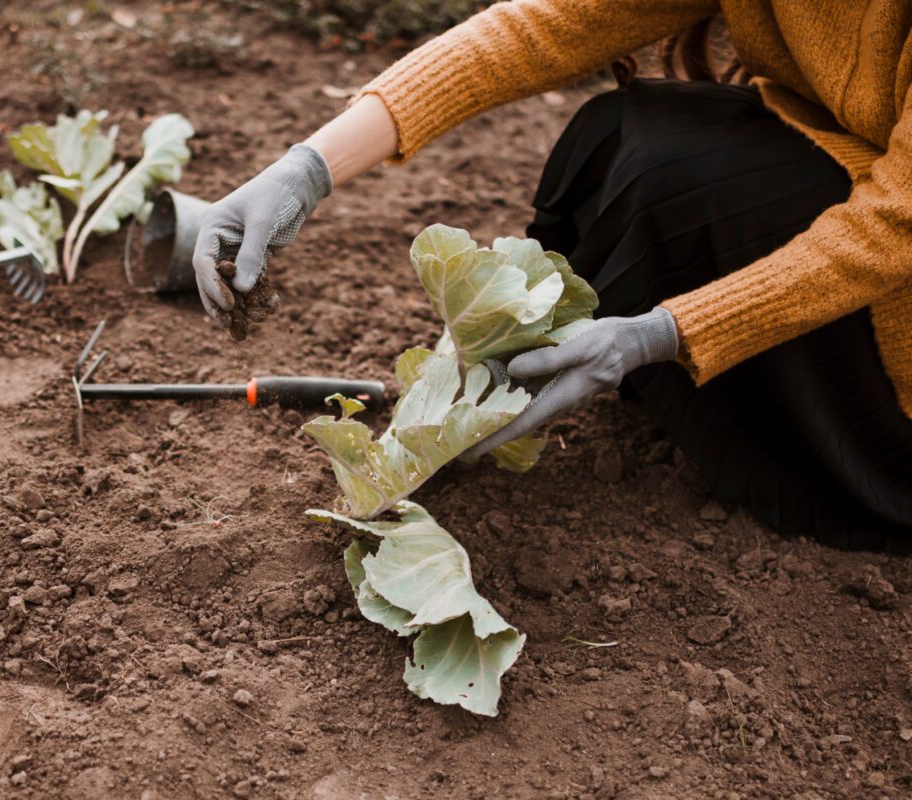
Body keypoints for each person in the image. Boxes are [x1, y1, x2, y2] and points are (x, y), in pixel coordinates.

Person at [191, 1, 912, 550]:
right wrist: (308, 168)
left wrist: (662, 333)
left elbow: (894, 225)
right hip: (849, 151)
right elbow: (551, 24)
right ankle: (696, 388)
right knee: (628, 141)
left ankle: (816, 438)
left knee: (684, 186)